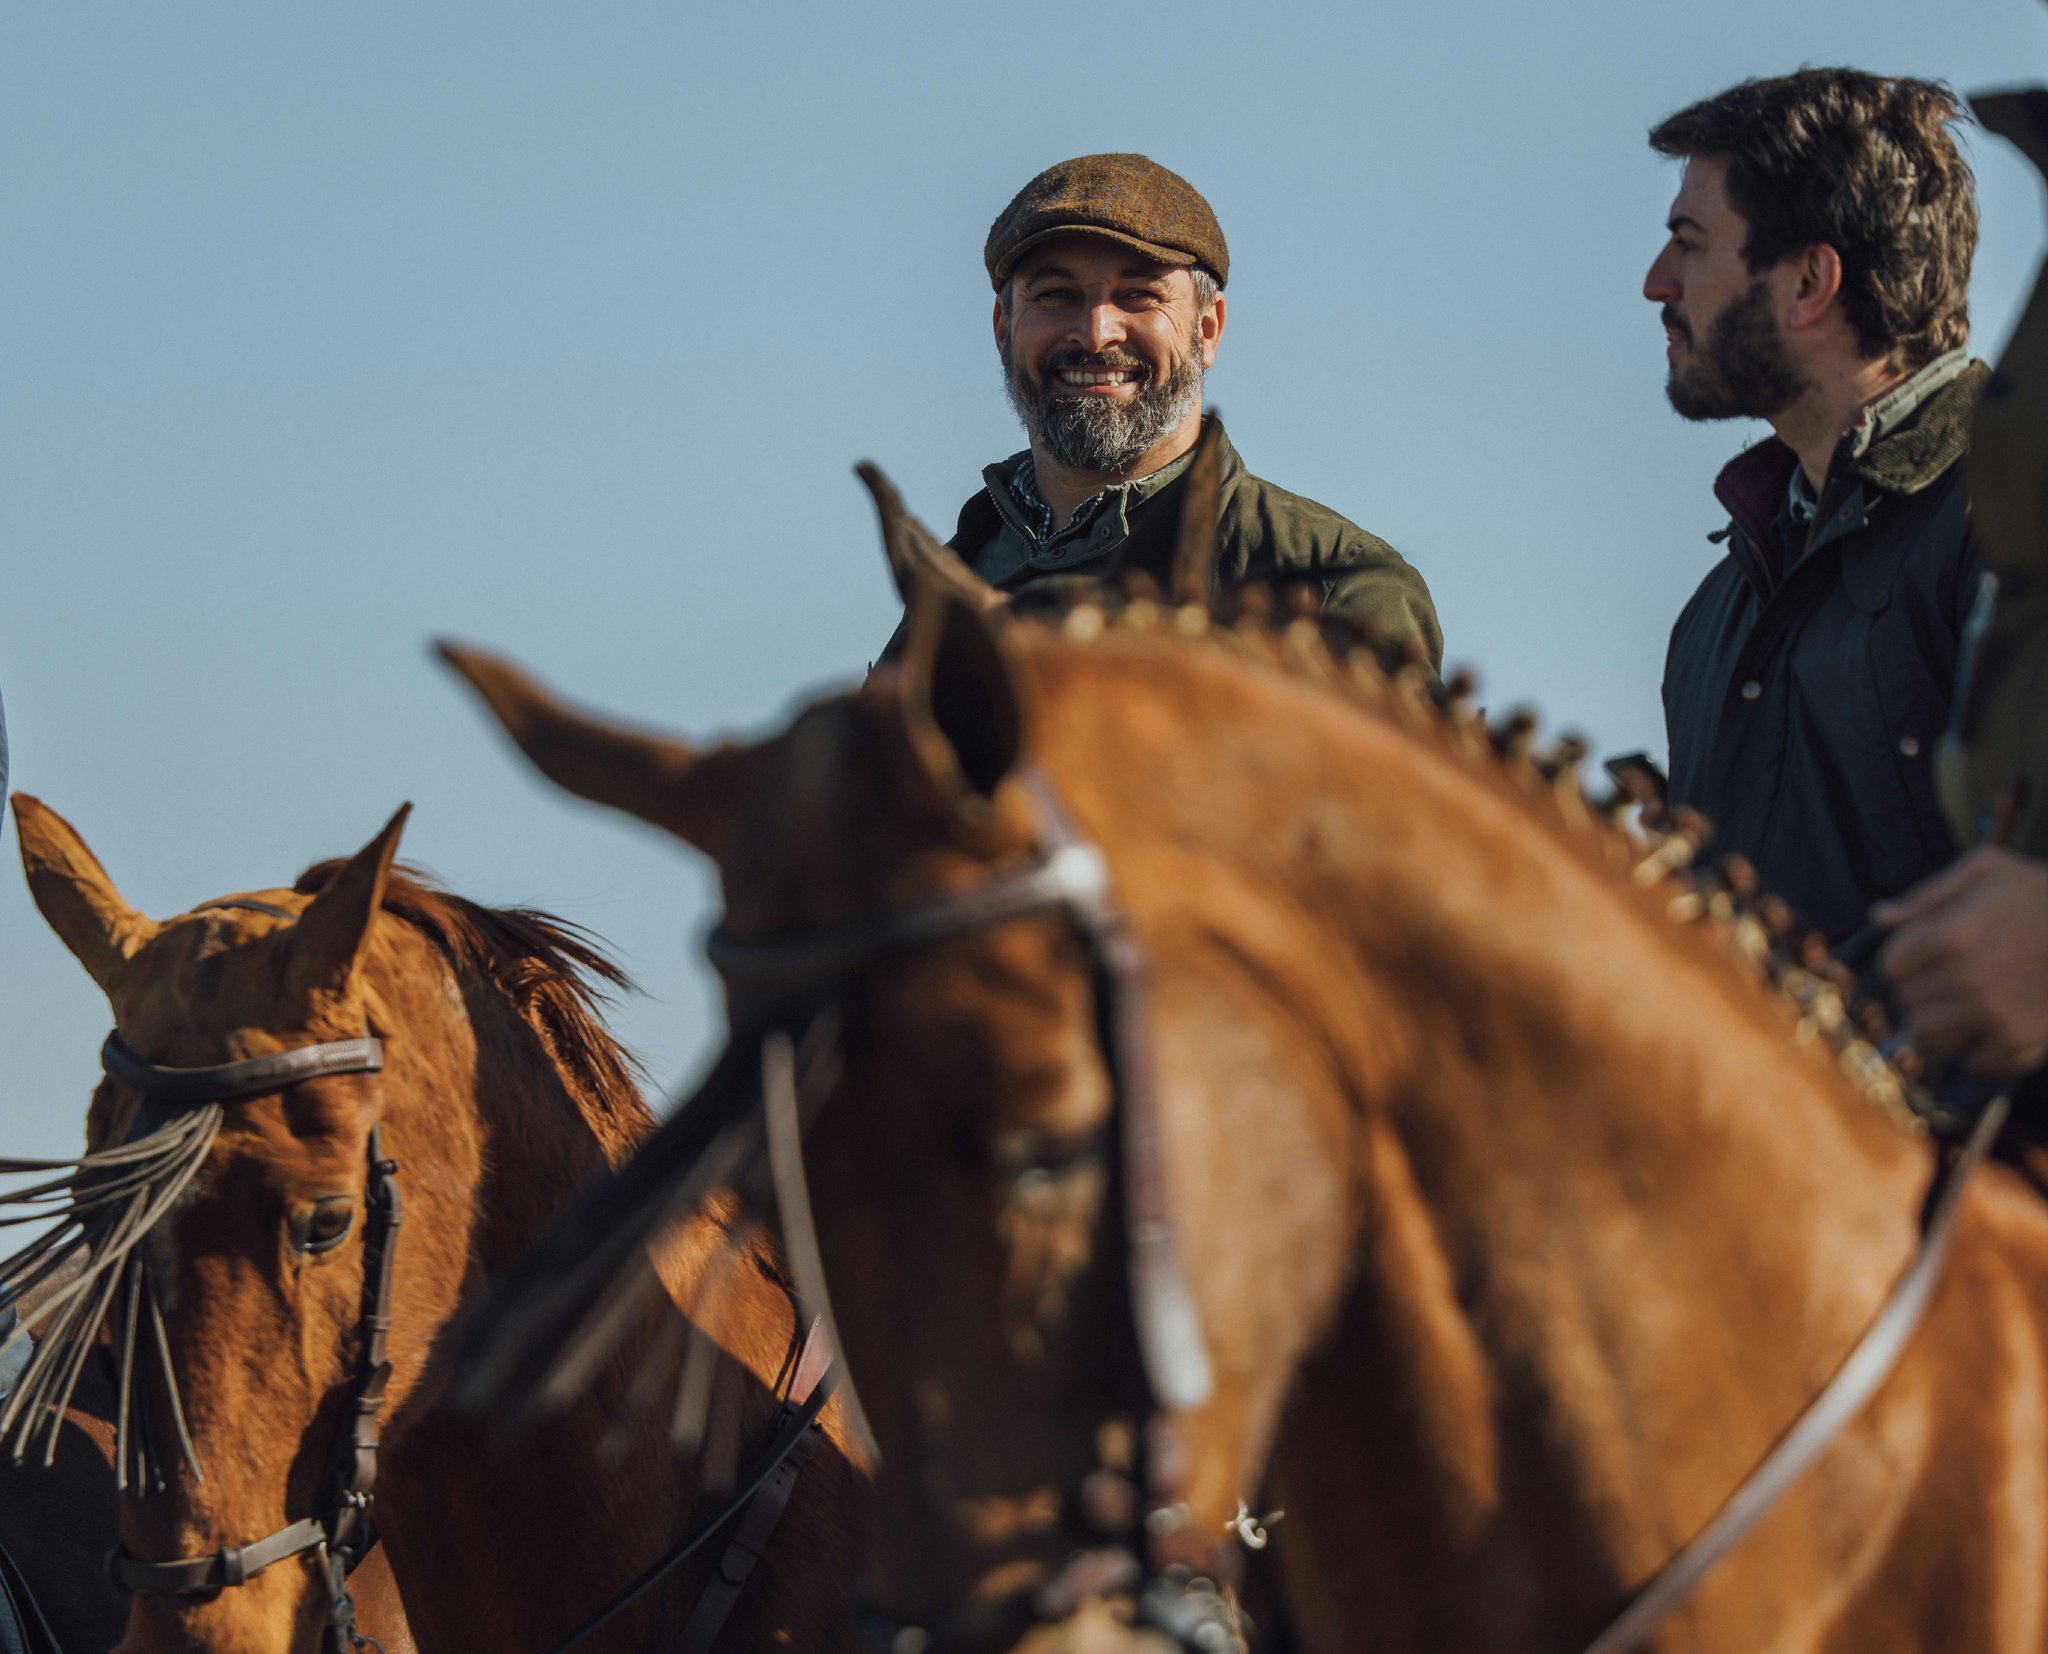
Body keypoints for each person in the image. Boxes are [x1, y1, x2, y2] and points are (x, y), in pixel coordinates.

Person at [1643, 70, 1984, 975]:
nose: (1656, 284)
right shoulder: (1712, 621)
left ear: (1808, 282)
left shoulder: (2012, 526)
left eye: (1690, 244)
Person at [950, 153, 1441, 662]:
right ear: (1003, 329)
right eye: (1056, 295)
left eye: (1139, 295)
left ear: (1207, 330)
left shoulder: (1333, 588)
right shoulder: (952, 582)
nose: (1096, 335)